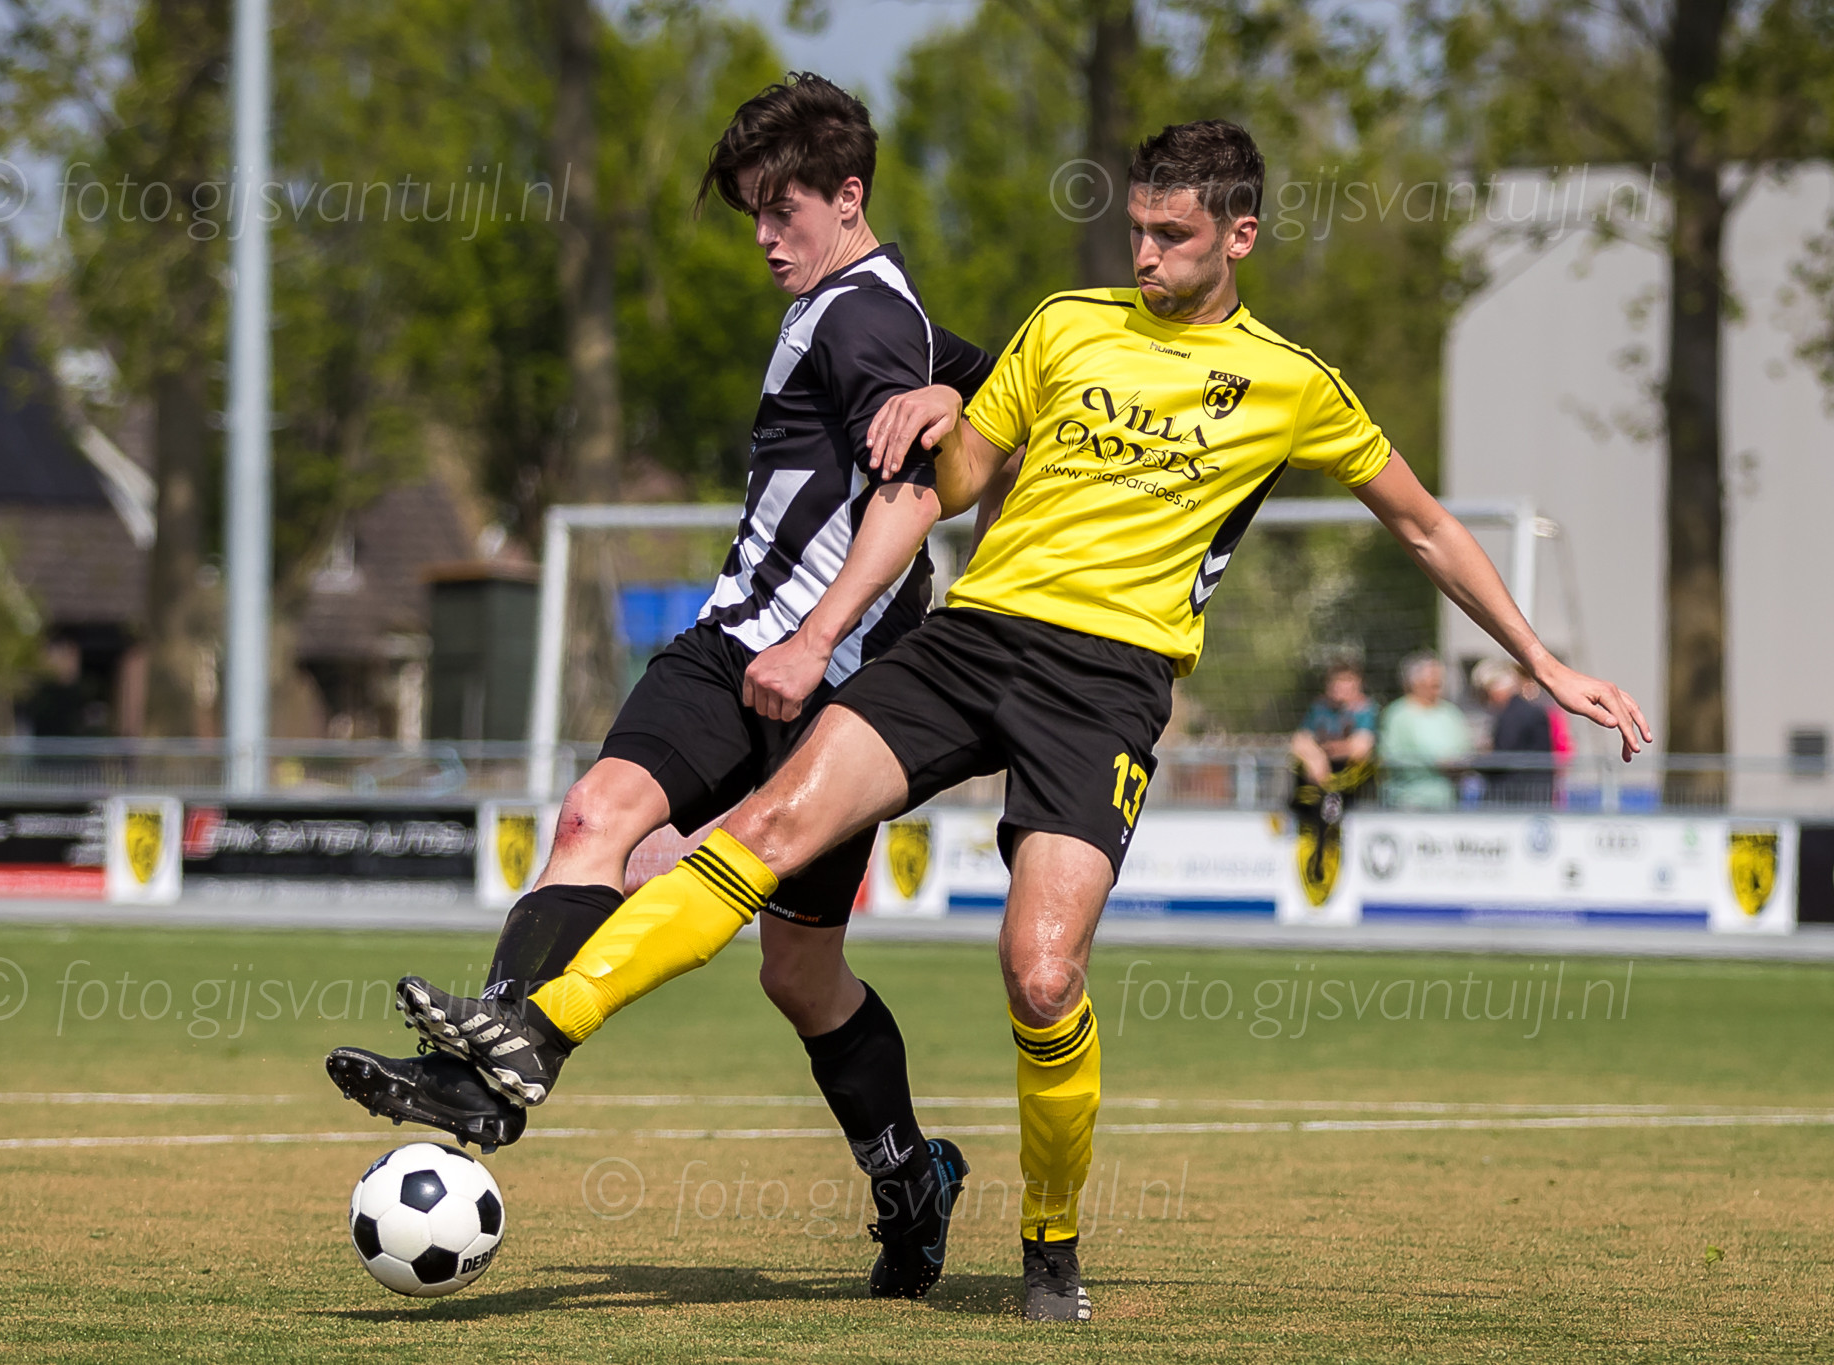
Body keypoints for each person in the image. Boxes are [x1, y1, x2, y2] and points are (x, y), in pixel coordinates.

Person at [398, 119, 1652, 1324]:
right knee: (767, 828)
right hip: (969, 642)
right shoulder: (1063, 325)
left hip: (1105, 688)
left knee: (1041, 976)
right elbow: (948, 486)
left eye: (1170, 236)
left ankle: (1048, 1241)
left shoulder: (1292, 384)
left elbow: (1424, 526)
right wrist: (924, 450)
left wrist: (1541, 662)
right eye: (1135, 231)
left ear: (1239, 236)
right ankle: (537, 1030)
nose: (1144, 256)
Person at [328, 73, 995, 1300]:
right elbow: (995, 380)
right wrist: (962, 387)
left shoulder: (859, 318)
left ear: (847, 197)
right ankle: (480, 1079)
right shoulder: (864, 307)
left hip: (830, 685)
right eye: (750, 212)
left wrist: (817, 640)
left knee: (798, 974)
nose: (762, 237)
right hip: (727, 644)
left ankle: (910, 1174)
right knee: (594, 817)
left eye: (780, 210)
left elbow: (910, 497)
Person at [1286, 660, 1378, 892]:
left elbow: (1361, 747)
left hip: (1349, 787)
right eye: (1336, 683)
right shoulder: (1319, 709)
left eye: (1346, 683)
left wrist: (1326, 750)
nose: (1340, 689)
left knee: (1330, 821)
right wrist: (1316, 758)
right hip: (1319, 784)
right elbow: (1299, 741)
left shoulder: (1365, 711)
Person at [1377, 653, 1474, 808]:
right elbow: (1391, 755)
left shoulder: (1450, 713)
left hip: (1447, 801)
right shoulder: (1397, 714)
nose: (1438, 681)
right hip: (1408, 801)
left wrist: (1457, 764)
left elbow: (1466, 748)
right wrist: (1434, 762)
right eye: (1432, 676)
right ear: (1415, 681)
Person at [1472, 656, 1553, 805]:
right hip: (1532, 794)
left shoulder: (1513, 714)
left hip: (1516, 796)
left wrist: (1473, 762)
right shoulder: (1527, 711)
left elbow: (1503, 754)